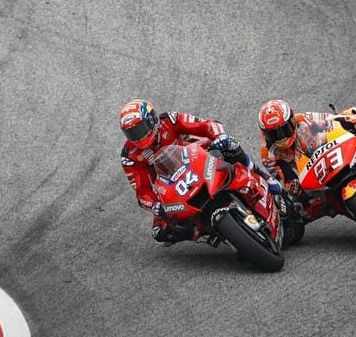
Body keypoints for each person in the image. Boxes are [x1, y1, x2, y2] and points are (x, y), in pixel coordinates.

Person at [120, 98, 280, 245]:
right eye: (132, 133)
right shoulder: (130, 156)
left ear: (152, 120)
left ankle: (261, 174)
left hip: (194, 158)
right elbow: (142, 192)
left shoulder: (169, 120)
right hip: (170, 186)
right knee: (160, 233)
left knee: (230, 146)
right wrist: (154, 205)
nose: (137, 137)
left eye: (140, 129)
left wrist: (220, 136)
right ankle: (207, 232)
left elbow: (206, 125)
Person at [257, 99, 356, 221]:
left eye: (284, 130)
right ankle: (353, 209)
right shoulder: (268, 154)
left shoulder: (304, 120)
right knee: (303, 210)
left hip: (330, 150)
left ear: (292, 121)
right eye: (273, 134)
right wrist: (294, 187)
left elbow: (332, 122)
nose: (281, 137)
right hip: (311, 174)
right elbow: (285, 177)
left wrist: (355, 123)